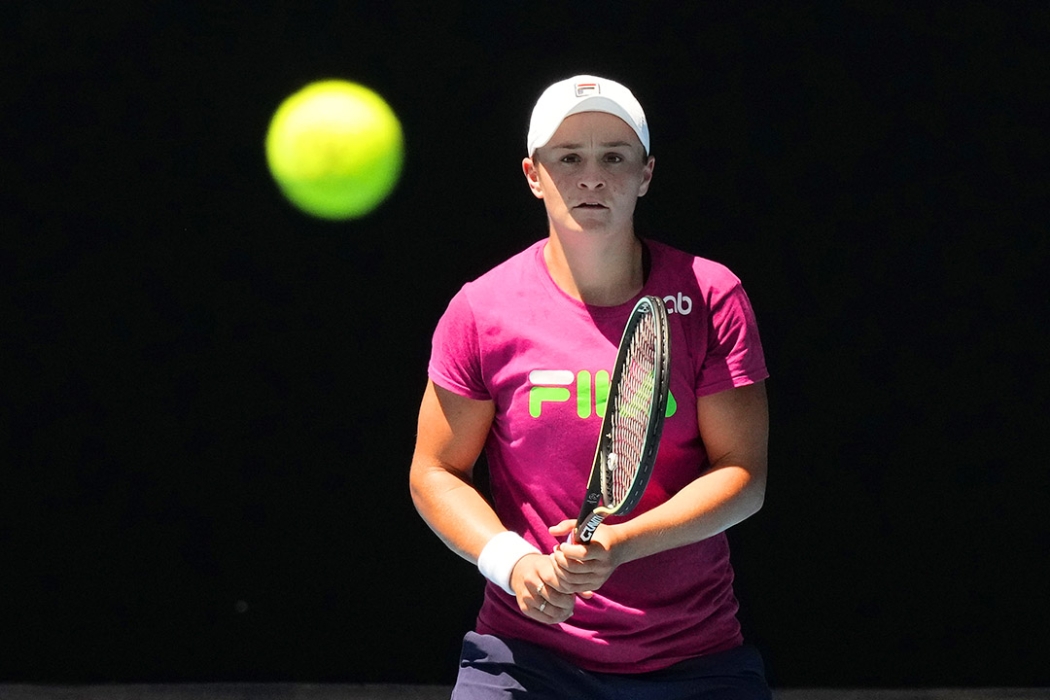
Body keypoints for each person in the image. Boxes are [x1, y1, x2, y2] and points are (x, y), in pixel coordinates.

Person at [409, 74, 772, 699]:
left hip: (694, 660)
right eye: (569, 158)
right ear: (533, 174)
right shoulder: (481, 309)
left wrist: (620, 543)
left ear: (646, 173)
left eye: (615, 157)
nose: (593, 178)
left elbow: (743, 474)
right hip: (526, 662)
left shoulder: (711, 295)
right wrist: (514, 564)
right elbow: (435, 471)